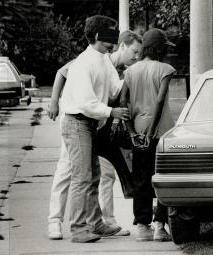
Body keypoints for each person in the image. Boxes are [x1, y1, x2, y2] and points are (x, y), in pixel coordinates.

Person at [47, 25, 142, 242]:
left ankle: (96, 223)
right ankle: (77, 228)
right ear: (98, 36)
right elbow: (85, 102)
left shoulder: (102, 59)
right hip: (77, 122)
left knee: (94, 175)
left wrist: (132, 76)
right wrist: (112, 111)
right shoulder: (84, 61)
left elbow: (114, 89)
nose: (114, 41)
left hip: (91, 125)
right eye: (110, 36)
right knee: (79, 177)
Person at [120, 28, 176, 242]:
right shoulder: (166, 69)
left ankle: (143, 227)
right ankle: (161, 226)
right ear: (159, 48)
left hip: (138, 130)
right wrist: (153, 132)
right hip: (161, 131)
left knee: (141, 179)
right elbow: (160, 101)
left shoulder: (131, 71)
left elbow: (123, 101)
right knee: (162, 178)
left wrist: (132, 131)